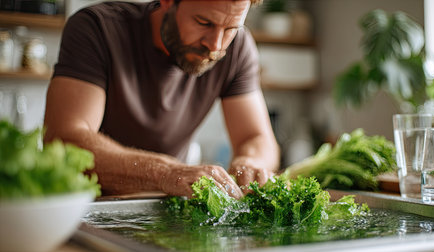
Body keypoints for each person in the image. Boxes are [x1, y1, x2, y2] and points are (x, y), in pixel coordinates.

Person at [43, 0, 280, 199]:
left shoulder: (237, 48)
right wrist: (165, 173)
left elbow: (257, 139)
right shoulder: (97, 28)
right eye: (204, 22)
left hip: (163, 210)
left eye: (231, 28)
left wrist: (249, 164)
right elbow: (66, 139)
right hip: (81, 205)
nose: (215, 45)